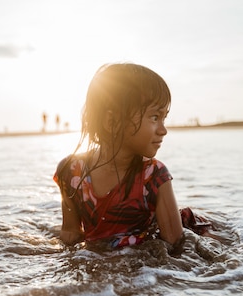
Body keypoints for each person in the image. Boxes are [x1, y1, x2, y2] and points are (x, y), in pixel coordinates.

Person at [54, 63, 209, 250]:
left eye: (163, 118)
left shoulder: (154, 175)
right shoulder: (71, 171)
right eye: (154, 117)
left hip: (177, 229)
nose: (163, 130)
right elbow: (70, 235)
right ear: (112, 122)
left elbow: (176, 246)